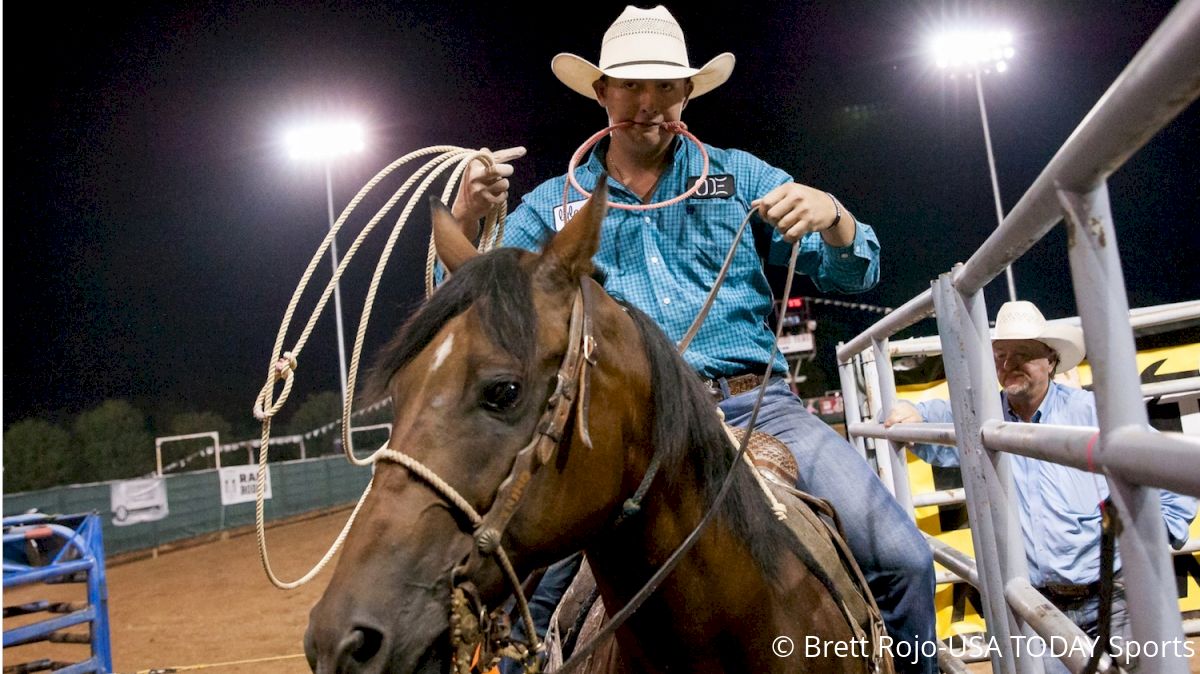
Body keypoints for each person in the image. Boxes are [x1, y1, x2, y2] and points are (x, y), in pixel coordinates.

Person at [451, 6, 937, 672]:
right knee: (515, 619)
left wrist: (835, 218)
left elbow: (858, 267)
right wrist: (466, 217)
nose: (647, 102)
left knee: (904, 560)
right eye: (629, 85)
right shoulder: (550, 208)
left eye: (664, 86)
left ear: (686, 94)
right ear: (602, 94)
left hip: (756, 409)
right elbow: (478, 308)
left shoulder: (741, 177)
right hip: (620, 437)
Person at [884, 300, 1196, 672]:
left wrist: (1149, 543)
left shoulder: (1092, 413)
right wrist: (912, 412)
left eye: (1024, 354)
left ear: (1050, 360)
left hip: (1115, 594)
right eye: (1001, 355)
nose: (1008, 364)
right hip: (1036, 606)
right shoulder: (982, 418)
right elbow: (935, 418)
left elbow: (1165, 474)